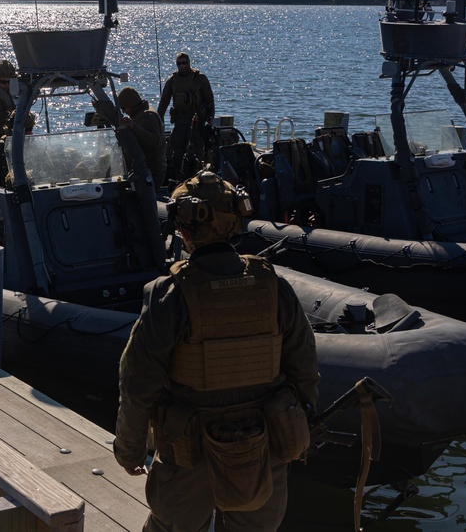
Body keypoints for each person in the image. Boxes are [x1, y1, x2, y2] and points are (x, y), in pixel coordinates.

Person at [114, 170, 319, 532]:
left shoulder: (170, 295)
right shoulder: (274, 287)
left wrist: (129, 450)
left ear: (184, 232)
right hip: (263, 443)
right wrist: (298, 428)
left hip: (188, 452)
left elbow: (137, 383)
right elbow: (304, 369)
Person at [157, 53, 215, 184]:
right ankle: (179, 179)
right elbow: (164, 102)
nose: (182, 66)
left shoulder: (199, 78)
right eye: (179, 63)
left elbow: (209, 98)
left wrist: (210, 117)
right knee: (177, 151)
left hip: (196, 120)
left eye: (184, 63)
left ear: (189, 63)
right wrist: (158, 119)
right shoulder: (172, 80)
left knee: (196, 151)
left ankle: (198, 180)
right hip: (180, 120)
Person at [116, 86, 167, 188]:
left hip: (152, 174)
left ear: (131, 105)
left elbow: (155, 142)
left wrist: (134, 127)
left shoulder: (147, 116)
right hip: (145, 170)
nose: (124, 112)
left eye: (123, 108)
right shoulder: (139, 113)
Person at [0, 111, 35, 190]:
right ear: (13, 129)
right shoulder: (0, 148)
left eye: (30, 129)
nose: (28, 133)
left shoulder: (33, 147)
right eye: (26, 130)